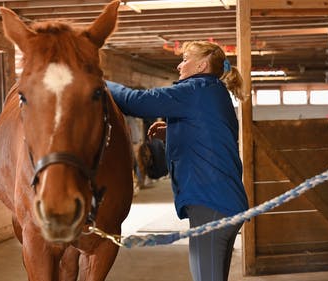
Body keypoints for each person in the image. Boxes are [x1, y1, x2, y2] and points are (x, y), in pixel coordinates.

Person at [106, 41, 249, 281]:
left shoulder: (195, 89)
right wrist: (172, 131)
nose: (179, 65)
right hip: (223, 201)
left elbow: (135, 101)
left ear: (202, 65)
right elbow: (208, 136)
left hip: (211, 203)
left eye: (185, 59)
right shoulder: (215, 92)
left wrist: (98, 81)